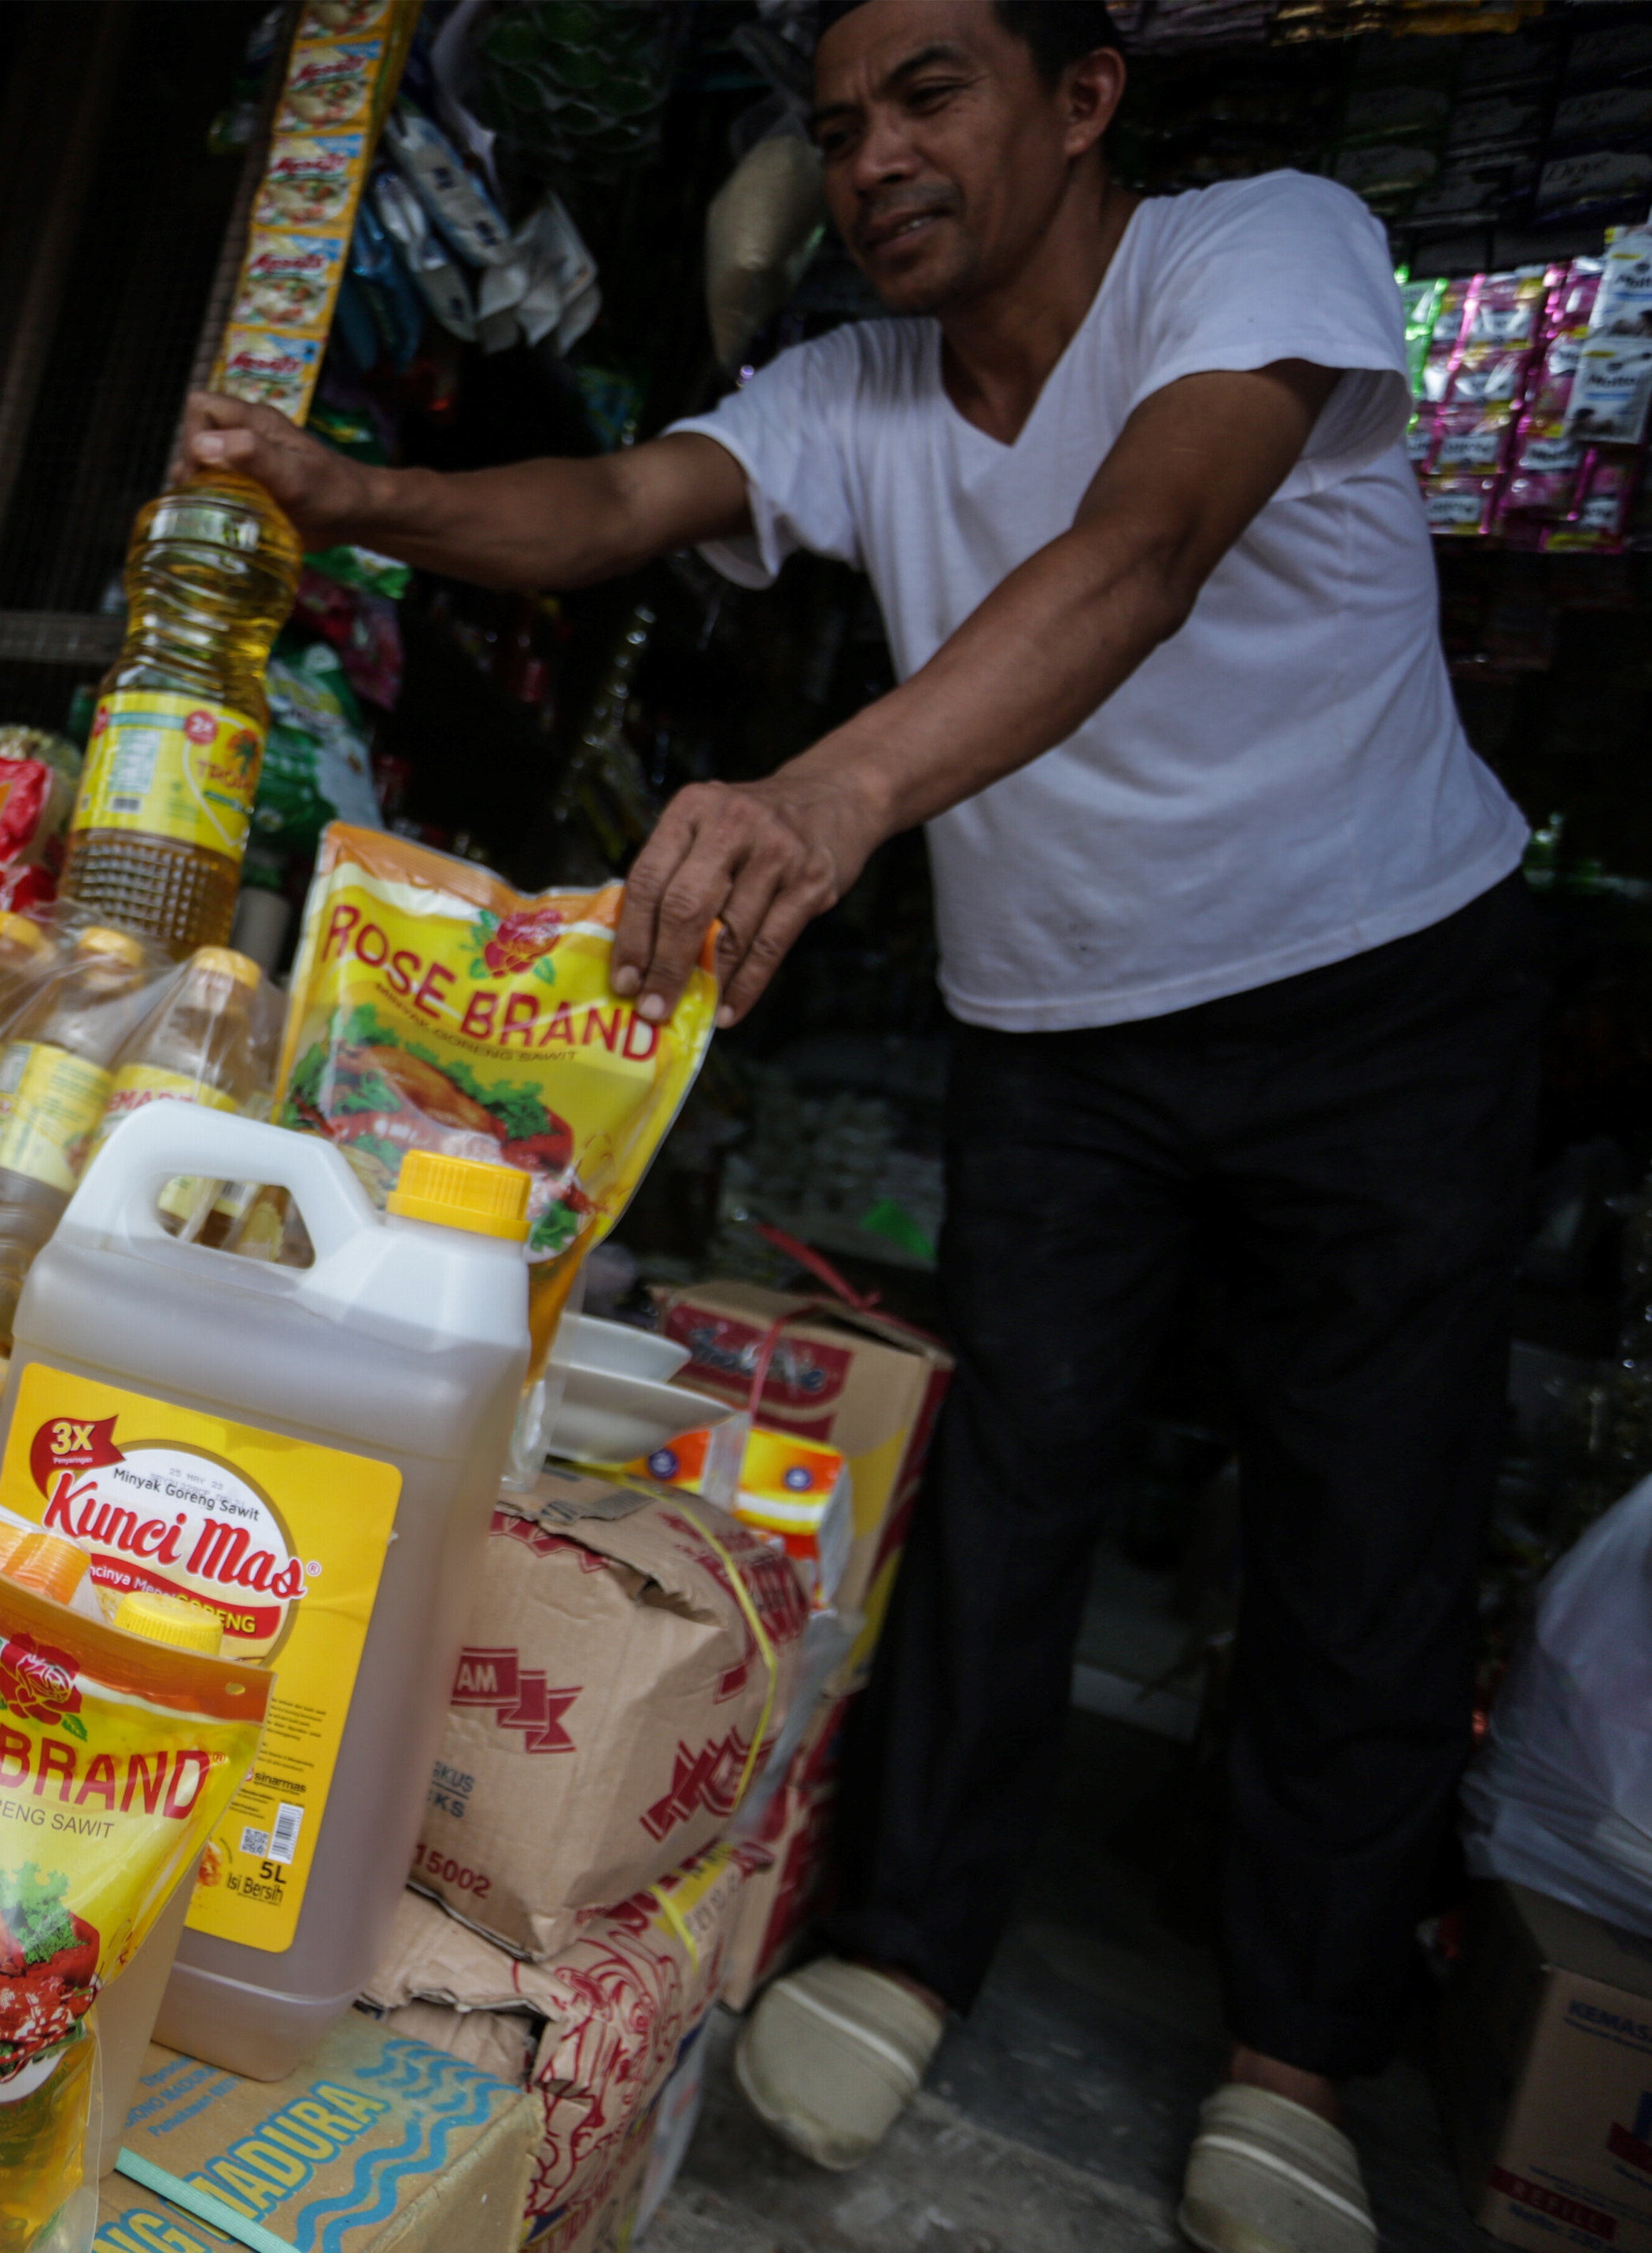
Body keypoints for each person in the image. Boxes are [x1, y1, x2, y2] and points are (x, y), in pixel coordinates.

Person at [177, 3, 1540, 2247]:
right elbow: (621, 502)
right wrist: (360, 499)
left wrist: (831, 794)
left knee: (1362, 1520)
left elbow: (1138, 550)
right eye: (832, 128)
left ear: (1081, 96)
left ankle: (1291, 2054)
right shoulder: (850, 388)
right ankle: (906, 1949)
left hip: (1378, 988)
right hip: (1061, 1029)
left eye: (929, 95)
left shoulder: (1258, 254)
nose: (870, 158)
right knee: (1002, 1490)